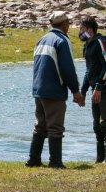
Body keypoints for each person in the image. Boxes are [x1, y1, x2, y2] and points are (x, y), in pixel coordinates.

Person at [26, 11, 84, 169]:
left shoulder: (42, 39)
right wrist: (75, 91)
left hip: (39, 89)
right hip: (54, 90)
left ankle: (33, 160)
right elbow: (67, 69)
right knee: (55, 127)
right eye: (68, 22)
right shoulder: (62, 40)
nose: (69, 25)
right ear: (63, 24)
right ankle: (55, 162)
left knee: (40, 125)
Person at [79, 16, 106, 163]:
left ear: (90, 30)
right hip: (95, 90)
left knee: (104, 123)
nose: (80, 31)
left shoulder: (100, 42)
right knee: (97, 126)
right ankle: (100, 159)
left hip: (103, 89)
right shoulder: (87, 46)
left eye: (82, 28)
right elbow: (89, 71)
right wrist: (82, 91)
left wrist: (99, 87)